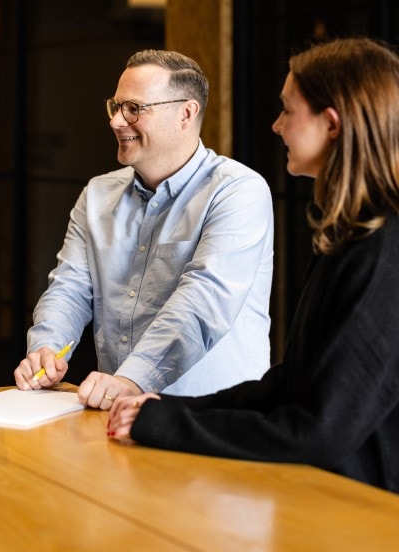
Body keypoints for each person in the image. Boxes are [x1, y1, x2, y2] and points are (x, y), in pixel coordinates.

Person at [108, 38, 399, 494]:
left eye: (288, 110)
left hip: (368, 517)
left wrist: (166, 425)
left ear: (333, 123)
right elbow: (292, 383)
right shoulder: (350, 237)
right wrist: (164, 409)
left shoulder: (386, 252)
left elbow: (319, 432)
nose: (276, 125)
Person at [14, 49, 274, 409]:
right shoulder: (97, 194)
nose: (117, 121)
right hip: (118, 414)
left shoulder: (237, 191)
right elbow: (70, 288)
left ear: (186, 113)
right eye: (116, 106)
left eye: (134, 108)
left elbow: (202, 302)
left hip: (215, 417)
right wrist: (46, 347)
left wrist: (131, 379)